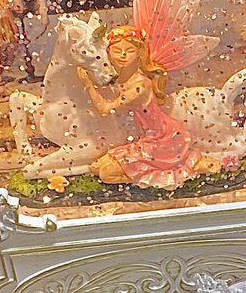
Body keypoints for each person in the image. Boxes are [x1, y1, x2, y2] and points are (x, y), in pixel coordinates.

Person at [77, 26, 206, 189]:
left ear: (140, 53)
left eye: (129, 51)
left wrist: (87, 84)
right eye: (117, 51)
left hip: (161, 139)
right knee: (96, 167)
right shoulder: (123, 78)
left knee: (106, 174)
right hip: (144, 138)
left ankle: (147, 179)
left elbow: (105, 109)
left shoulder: (140, 85)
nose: (123, 55)